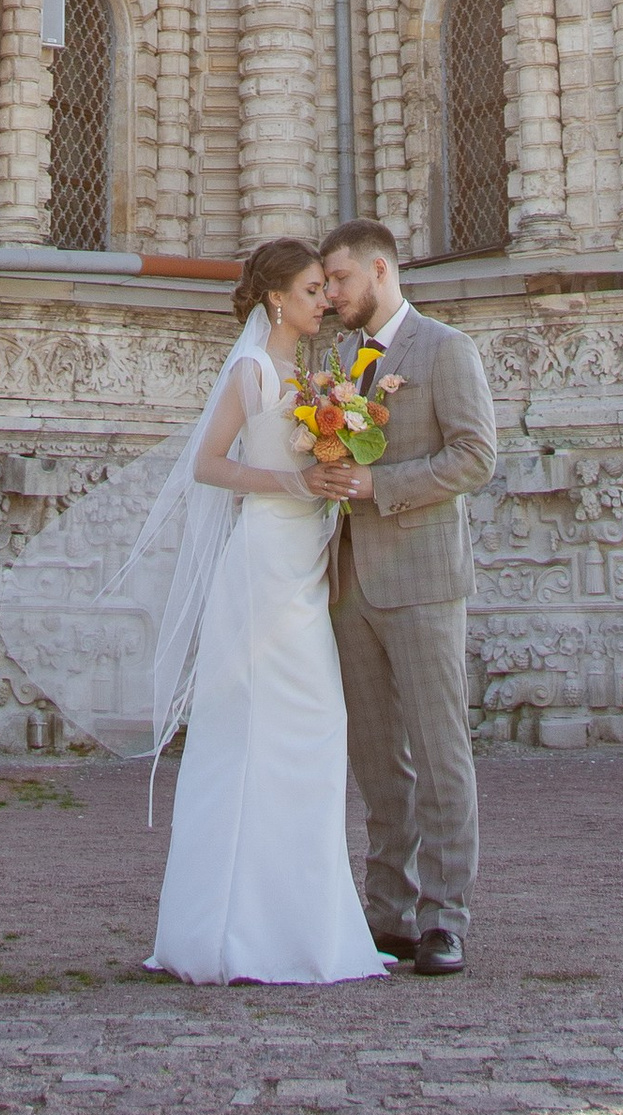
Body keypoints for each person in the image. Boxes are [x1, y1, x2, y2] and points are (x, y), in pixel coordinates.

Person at [142, 240, 388, 985]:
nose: (326, 301)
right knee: (251, 735)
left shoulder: (312, 377)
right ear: (277, 299)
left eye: (326, 289)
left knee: (312, 731)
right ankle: (226, 931)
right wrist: (296, 484)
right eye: (314, 290)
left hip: (303, 565)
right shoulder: (252, 370)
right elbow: (208, 465)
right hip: (261, 566)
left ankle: (306, 924)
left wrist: (340, 460)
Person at [320, 219, 499, 976]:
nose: (330, 296)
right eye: (326, 285)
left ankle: (445, 917)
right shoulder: (340, 359)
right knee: (376, 758)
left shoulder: (444, 349)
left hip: (422, 580)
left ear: (381, 271)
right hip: (350, 582)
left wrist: (380, 485)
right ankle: (386, 912)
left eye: (340, 281)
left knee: (438, 749)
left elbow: (475, 456)